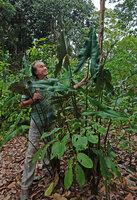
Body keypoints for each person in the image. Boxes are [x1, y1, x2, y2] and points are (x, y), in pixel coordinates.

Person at [19, 61, 89, 200]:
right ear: (35, 72)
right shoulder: (31, 85)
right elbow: (22, 104)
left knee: (51, 149)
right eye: (41, 66)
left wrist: (80, 83)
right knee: (31, 152)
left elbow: (66, 90)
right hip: (36, 122)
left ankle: (49, 174)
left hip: (51, 121)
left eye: (45, 65)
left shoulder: (52, 82)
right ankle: (25, 186)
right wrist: (33, 99)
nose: (45, 67)